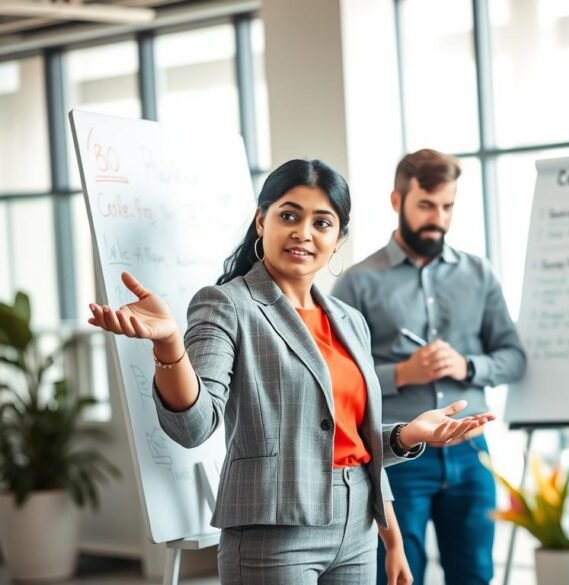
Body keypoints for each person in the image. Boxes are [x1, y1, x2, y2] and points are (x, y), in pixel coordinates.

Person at [87, 159, 494, 585]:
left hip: (357, 529)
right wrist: (169, 344)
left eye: (322, 222)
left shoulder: (349, 320)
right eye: (289, 215)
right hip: (274, 531)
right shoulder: (226, 304)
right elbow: (193, 425)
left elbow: (354, 438)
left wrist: (409, 437)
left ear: (337, 240)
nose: (304, 232)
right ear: (261, 221)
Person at [333, 148, 526, 585]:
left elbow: (514, 358)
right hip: (399, 456)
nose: (437, 217)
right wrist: (403, 374)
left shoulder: (479, 274)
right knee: (400, 576)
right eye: (426, 205)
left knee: (475, 574)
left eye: (447, 206)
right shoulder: (358, 282)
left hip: (472, 453)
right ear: (397, 202)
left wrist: (467, 365)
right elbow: (334, 380)